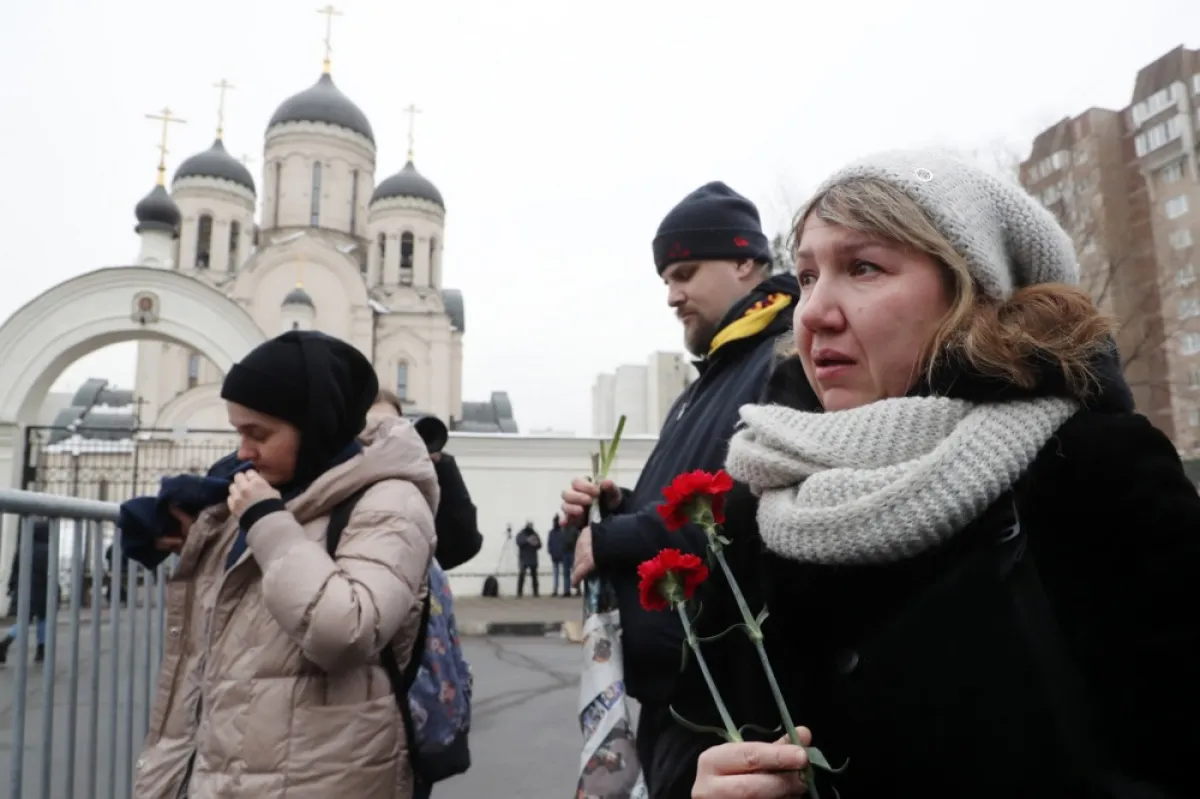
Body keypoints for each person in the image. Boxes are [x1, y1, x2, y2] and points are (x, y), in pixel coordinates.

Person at [687, 149, 1200, 798]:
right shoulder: (758, 502)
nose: (813, 310)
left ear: (973, 294)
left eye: (864, 267)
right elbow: (702, 727)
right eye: (809, 275)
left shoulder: (1094, 468)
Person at [559, 180, 799, 795]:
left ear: (746, 261)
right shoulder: (703, 384)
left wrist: (618, 538)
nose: (672, 295)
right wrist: (617, 508)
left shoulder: (786, 359)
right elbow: (684, 506)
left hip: (735, 706)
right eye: (666, 278)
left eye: (686, 272)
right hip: (677, 701)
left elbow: (741, 509)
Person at [131, 330, 438, 799]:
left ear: (315, 425)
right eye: (238, 431)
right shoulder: (275, 491)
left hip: (322, 774)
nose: (242, 452)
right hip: (233, 766)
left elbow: (345, 629)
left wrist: (265, 522)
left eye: (259, 434)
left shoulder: (390, 501)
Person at [369, 390, 483, 570]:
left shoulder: (416, 482)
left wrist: (441, 467)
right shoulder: (344, 482)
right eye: (374, 425)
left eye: (393, 425)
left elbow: (464, 546)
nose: (384, 434)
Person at [0, 518, 52, 665]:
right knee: (43, 619)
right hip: (42, 590)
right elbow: (49, 573)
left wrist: (11, 586)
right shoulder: (48, 550)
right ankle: (41, 650)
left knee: (24, 620)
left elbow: (14, 569)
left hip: (22, 588)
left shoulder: (24, 547)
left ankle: (7, 641)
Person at [514, 521, 541, 597]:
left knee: (534, 577)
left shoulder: (535, 534)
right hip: (524, 558)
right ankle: (519, 592)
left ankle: (535, 592)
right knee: (522, 575)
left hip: (533, 558)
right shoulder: (521, 534)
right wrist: (527, 540)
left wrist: (536, 543)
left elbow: (539, 545)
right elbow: (518, 542)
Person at [547, 516, 567, 596]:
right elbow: (549, 544)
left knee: (563, 574)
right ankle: (556, 590)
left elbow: (550, 544)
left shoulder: (561, 532)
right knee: (557, 574)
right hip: (556, 555)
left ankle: (563, 590)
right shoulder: (553, 532)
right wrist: (551, 552)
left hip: (561, 555)